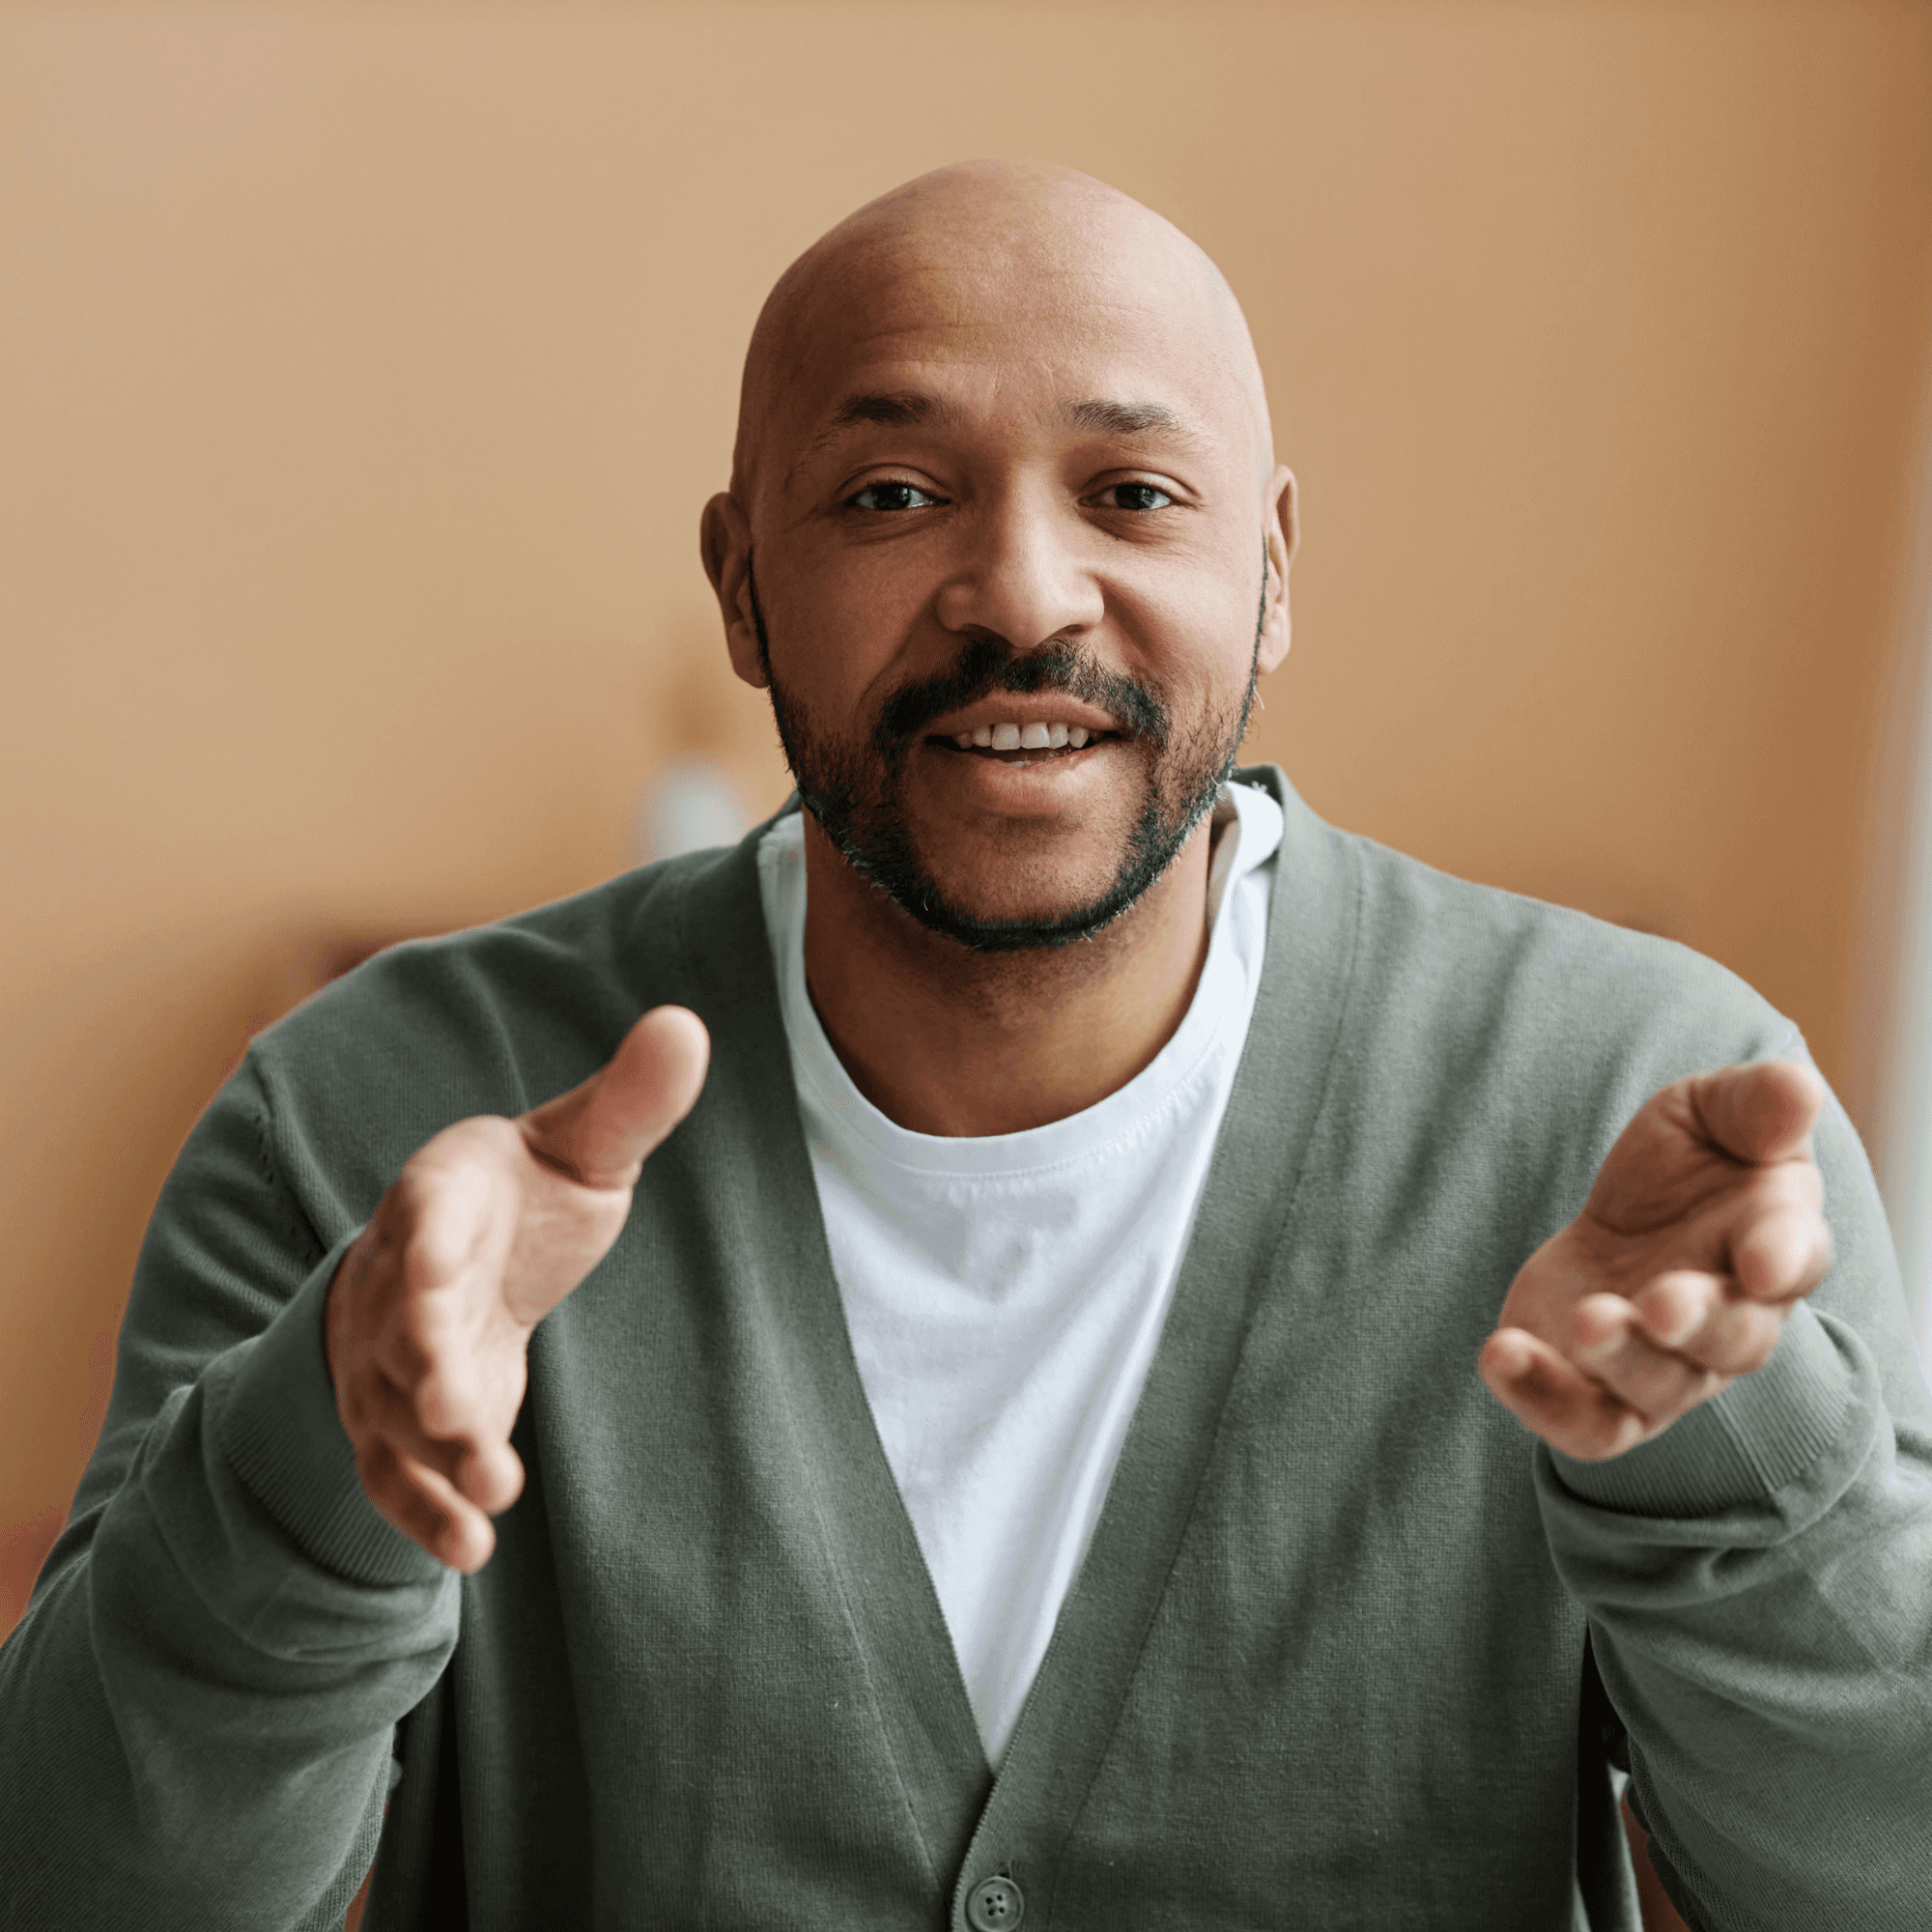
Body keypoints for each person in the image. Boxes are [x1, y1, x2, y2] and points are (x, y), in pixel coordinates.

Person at [2, 160, 1928, 1932]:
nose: (1020, 593)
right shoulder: (368, 1116)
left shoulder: (1627, 1122)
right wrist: (311, 1472)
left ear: (1269, 569)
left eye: (1131, 494)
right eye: (890, 496)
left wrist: (1724, 1462)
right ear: (742, 584)